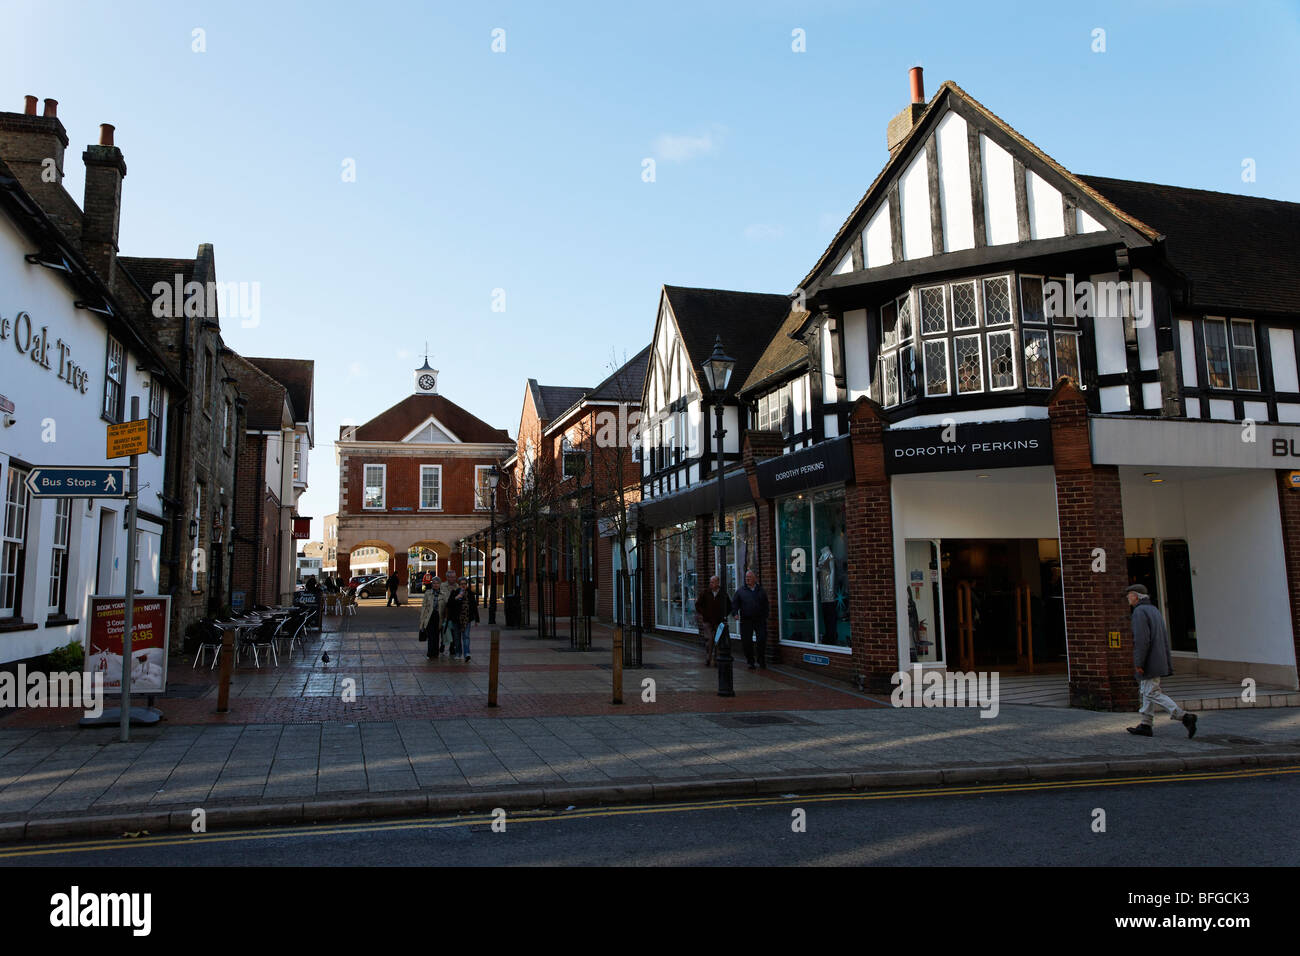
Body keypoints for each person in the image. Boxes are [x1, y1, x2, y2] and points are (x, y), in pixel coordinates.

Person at [1125, 584, 1197, 738]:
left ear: (1136, 596)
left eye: (1129, 595)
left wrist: (1139, 662)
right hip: (1158, 658)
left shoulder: (1139, 612)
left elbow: (1141, 641)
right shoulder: (1154, 610)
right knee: (1146, 690)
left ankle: (1183, 716)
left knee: (1151, 692)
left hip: (1149, 660)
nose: (1127, 598)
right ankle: (1146, 724)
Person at [732, 570, 770, 670]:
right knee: (746, 642)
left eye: (749, 577)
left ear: (755, 579)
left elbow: (766, 604)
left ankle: (761, 659)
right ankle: (750, 661)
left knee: (761, 640)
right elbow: (735, 603)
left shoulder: (761, 591)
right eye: (746, 577)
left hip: (759, 620)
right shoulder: (741, 591)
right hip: (746, 620)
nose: (747, 579)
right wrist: (735, 613)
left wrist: (765, 615)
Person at [694, 575, 731, 667]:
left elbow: (729, 606)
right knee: (710, 639)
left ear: (717, 583)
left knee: (717, 640)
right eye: (710, 582)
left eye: (713, 582)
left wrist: (724, 615)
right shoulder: (705, 593)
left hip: (719, 622)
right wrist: (704, 613)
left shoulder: (723, 594)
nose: (711, 584)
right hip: (708, 621)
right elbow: (698, 605)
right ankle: (708, 657)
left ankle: (716, 659)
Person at [438, 569, 459, 655]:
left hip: (454, 613)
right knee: (444, 629)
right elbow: (443, 598)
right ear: (447, 577)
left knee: (454, 630)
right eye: (450, 577)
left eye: (454, 577)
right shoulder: (442, 586)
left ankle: (452, 647)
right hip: (443, 612)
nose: (452, 579)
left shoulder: (458, 586)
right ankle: (443, 643)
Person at [458, 582, 480, 662]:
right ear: (459, 585)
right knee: (457, 638)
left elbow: (474, 606)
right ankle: (458, 653)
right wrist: (457, 597)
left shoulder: (470, 594)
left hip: (467, 618)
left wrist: (476, 619)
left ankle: (467, 653)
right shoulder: (455, 592)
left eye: (464, 584)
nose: (463, 585)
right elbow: (451, 604)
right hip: (457, 619)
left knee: (466, 636)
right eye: (461, 584)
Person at [420, 575, 441, 657]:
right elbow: (424, 606)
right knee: (430, 635)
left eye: (437, 583)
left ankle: (436, 652)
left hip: (438, 616)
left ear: (440, 584)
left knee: (436, 635)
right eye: (434, 583)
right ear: (432, 584)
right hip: (429, 616)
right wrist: (422, 619)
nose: (435, 585)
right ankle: (430, 652)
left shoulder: (443, 594)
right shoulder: (428, 593)